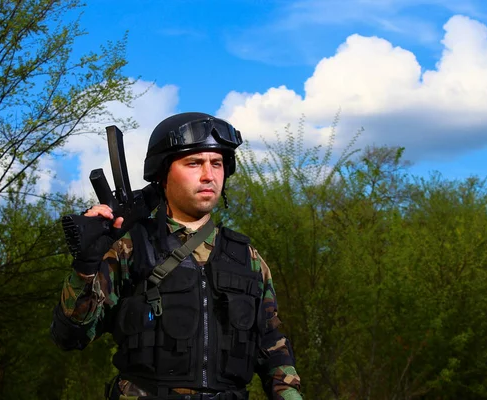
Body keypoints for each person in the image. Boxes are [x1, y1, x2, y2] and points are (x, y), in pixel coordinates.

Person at [50, 112, 303, 400]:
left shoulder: (247, 257)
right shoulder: (128, 246)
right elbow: (69, 336)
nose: (209, 175)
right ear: (162, 173)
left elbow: (273, 345)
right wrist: (85, 266)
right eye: (194, 163)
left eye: (217, 163)